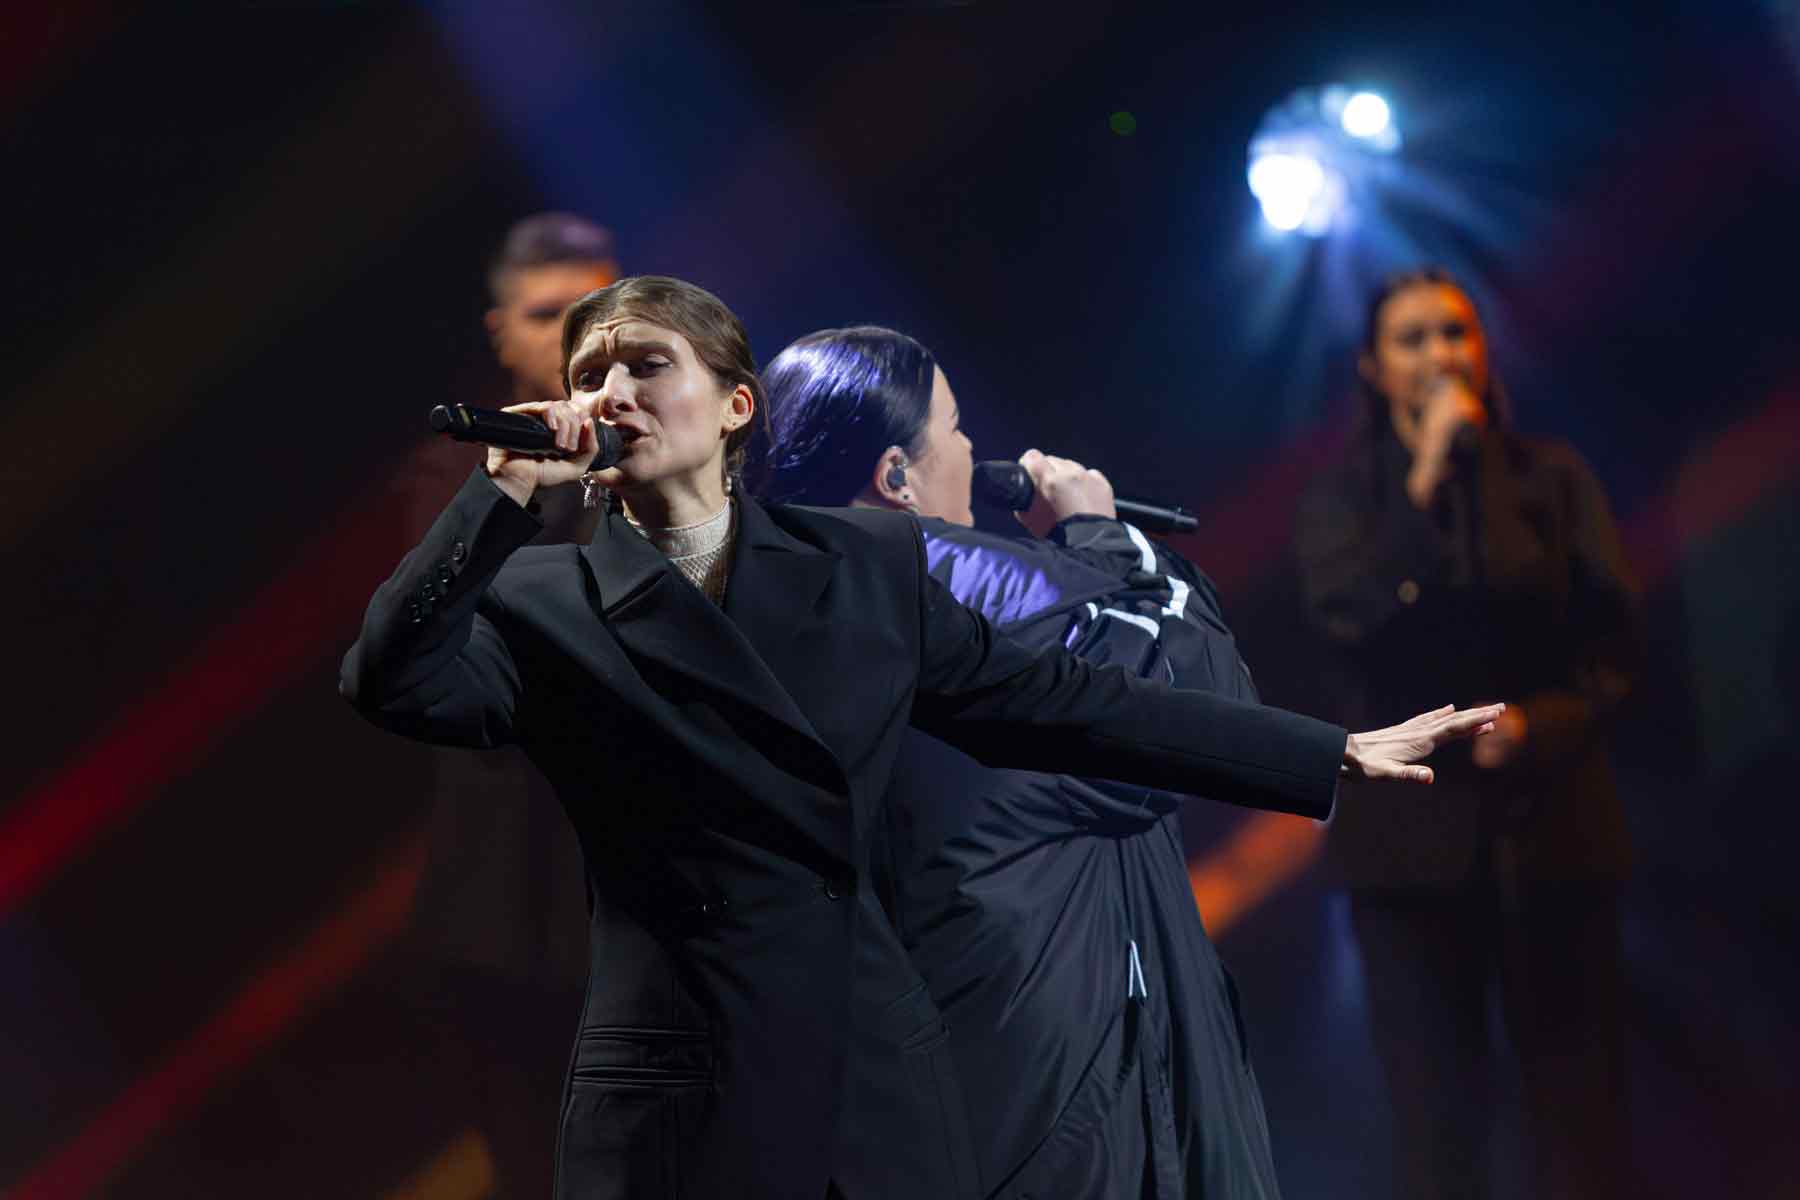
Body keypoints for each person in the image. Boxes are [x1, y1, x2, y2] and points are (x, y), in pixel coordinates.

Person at [341, 274, 1500, 1200]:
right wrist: (495, 497)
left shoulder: (865, 566)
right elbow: (395, 682)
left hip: (872, 1068)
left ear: (736, 404)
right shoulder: (546, 595)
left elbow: (1060, 703)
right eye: (592, 374)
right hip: (676, 1083)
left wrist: (1322, 748)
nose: (615, 393)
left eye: (648, 363)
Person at [760, 325, 1293, 1199]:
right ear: (896, 476)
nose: (977, 452)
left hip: (946, 1078)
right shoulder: (974, 586)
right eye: (958, 429)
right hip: (1065, 1084)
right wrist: (1102, 536)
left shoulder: (788, 603)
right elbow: (1201, 708)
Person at [1293, 268, 1639, 1199]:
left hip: (1552, 832)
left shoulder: (1550, 478)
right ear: (1372, 367)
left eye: (1456, 331)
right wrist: (1423, 477)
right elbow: (1347, 619)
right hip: (1408, 857)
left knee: (1582, 1111)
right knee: (1437, 1121)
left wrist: (1539, 724)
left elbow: (1618, 652)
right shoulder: (1344, 504)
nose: (1441, 355)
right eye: (1413, 338)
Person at [393, 212, 620, 1196]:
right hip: (516, 914)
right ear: (502, 332)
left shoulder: (689, 460)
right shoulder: (456, 470)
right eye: (548, 311)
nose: (576, 329)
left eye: (595, 305)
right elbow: (467, 645)